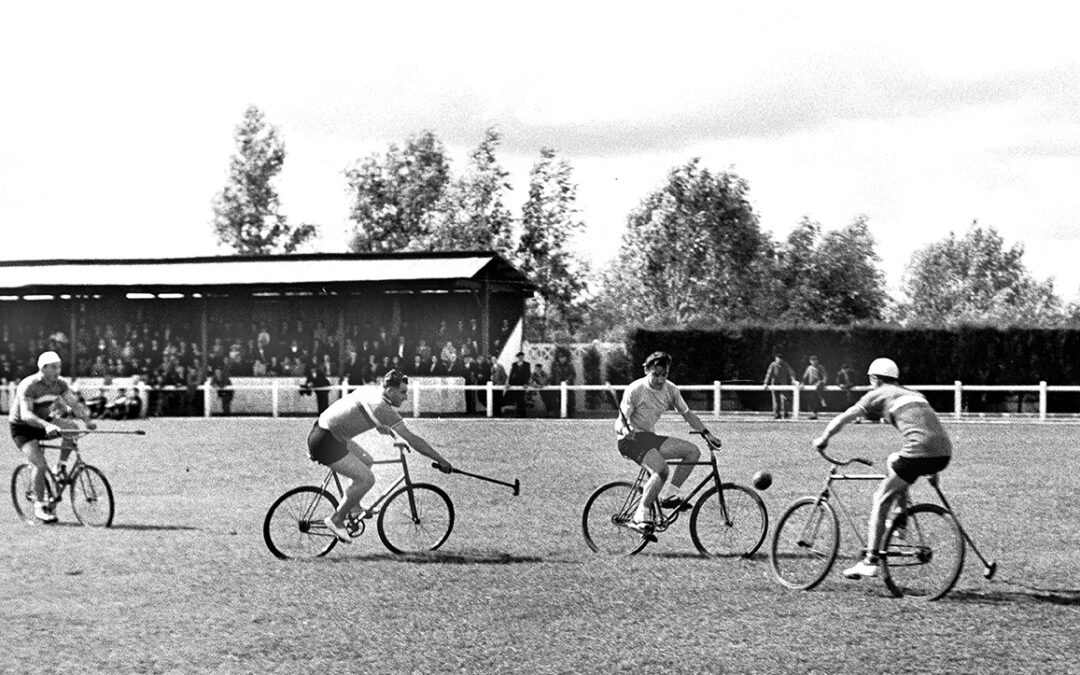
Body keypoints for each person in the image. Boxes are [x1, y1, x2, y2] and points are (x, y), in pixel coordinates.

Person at [812, 357, 953, 580]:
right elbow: (929, 428)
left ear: (874, 379)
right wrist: (933, 471)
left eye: (870, 380)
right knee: (893, 461)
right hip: (943, 453)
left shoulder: (877, 393)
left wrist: (824, 438)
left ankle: (871, 561)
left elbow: (845, 417)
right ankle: (901, 518)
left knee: (880, 498)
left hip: (919, 451)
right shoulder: (915, 394)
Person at [306, 370, 452, 543]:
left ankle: (354, 506)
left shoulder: (372, 391)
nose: (405, 398)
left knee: (367, 460)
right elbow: (413, 438)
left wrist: (390, 431)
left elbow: (365, 413)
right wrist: (440, 459)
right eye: (403, 392)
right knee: (366, 479)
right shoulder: (383, 408)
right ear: (390, 391)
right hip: (326, 442)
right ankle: (337, 519)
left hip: (323, 433)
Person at [615, 351, 718, 533]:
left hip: (649, 438)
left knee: (692, 452)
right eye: (655, 374)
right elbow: (619, 421)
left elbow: (687, 414)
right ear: (646, 370)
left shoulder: (671, 390)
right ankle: (640, 514)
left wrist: (706, 432)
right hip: (629, 440)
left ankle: (669, 495)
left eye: (664, 375)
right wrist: (625, 430)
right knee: (661, 470)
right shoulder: (635, 389)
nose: (660, 379)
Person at [8, 351, 97, 522]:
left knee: (72, 429)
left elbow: (73, 403)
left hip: (44, 421)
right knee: (39, 465)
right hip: (22, 428)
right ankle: (39, 507)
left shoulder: (60, 384)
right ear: (43, 368)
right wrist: (48, 426)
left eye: (59, 367)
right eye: (54, 367)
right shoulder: (29, 385)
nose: (58, 370)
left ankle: (60, 467)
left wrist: (87, 420)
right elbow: (26, 415)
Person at [763, 354, 798, 419]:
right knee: (775, 400)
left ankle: (785, 413)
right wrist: (765, 383)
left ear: (782, 359)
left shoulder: (785, 364)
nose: (779, 360)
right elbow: (769, 374)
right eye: (777, 358)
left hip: (783, 384)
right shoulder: (773, 365)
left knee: (785, 399)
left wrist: (793, 379)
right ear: (775, 358)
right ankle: (776, 414)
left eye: (780, 358)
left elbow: (791, 372)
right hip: (775, 384)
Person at [801, 355, 828, 420]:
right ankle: (813, 414)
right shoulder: (809, 368)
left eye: (815, 360)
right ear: (810, 361)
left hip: (819, 383)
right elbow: (805, 376)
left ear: (817, 361)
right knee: (812, 400)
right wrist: (802, 383)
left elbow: (825, 375)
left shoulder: (820, 367)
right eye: (812, 361)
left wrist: (824, 382)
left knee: (816, 399)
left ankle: (822, 399)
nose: (814, 362)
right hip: (811, 385)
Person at [551, 351, 577, 418]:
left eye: (563, 357)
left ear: (566, 358)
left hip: (569, 385)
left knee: (570, 400)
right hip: (558, 386)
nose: (562, 359)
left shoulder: (570, 365)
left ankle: (571, 414)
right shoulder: (555, 365)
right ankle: (558, 414)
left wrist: (567, 380)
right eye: (560, 357)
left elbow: (573, 374)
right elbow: (553, 375)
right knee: (558, 400)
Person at [507, 352, 531, 418]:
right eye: (519, 356)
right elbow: (511, 374)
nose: (521, 357)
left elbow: (528, 374)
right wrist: (509, 383)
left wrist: (526, 383)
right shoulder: (514, 364)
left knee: (522, 399)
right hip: (515, 383)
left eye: (522, 356)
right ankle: (518, 413)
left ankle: (523, 414)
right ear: (518, 357)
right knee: (517, 399)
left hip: (523, 384)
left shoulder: (527, 364)